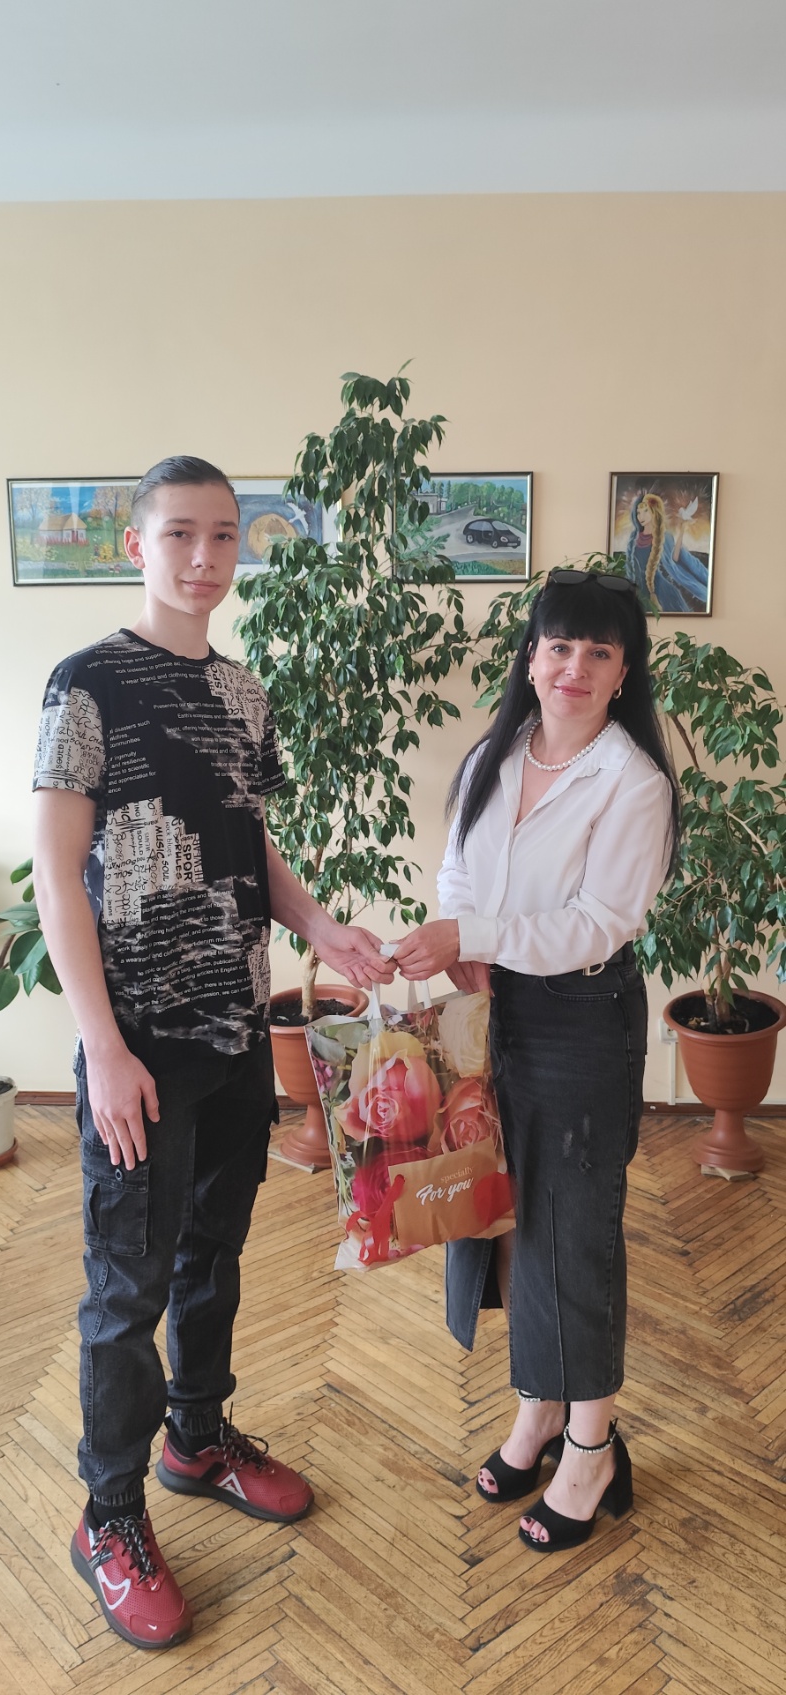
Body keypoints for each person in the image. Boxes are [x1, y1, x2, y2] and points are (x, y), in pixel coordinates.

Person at [32, 455, 393, 1649]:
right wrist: (99, 1044)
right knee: (123, 1289)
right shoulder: (86, 683)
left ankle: (195, 1435)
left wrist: (321, 926)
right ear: (137, 546)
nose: (204, 556)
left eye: (224, 535)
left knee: (212, 1253)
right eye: (180, 532)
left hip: (236, 1033)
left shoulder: (242, 690)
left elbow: (250, 842)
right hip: (137, 1047)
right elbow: (57, 876)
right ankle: (108, 1513)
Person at [392, 568, 679, 1554]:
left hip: (581, 1019)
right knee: (507, 1219)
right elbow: (459, 871)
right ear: (531, 655)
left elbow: (598, 921)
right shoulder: (496, 754)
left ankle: (592, 1448)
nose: (574, 666)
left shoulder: (633, 782)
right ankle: (541, 1411)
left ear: (623, 672)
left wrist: (471, 933)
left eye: (598, 650)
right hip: (496, 1007)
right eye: (559, 645)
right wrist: (459, 941)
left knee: (573, 1232)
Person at [625, 490, 709, 612]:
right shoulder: (634, 538)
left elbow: (674, 558)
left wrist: (681, 531)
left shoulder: (665, 536)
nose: (641, 516)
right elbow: (631, 567)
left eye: (645, 511)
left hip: (662, 592)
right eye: (638, 513)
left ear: (654, 512)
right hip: (640, 590)